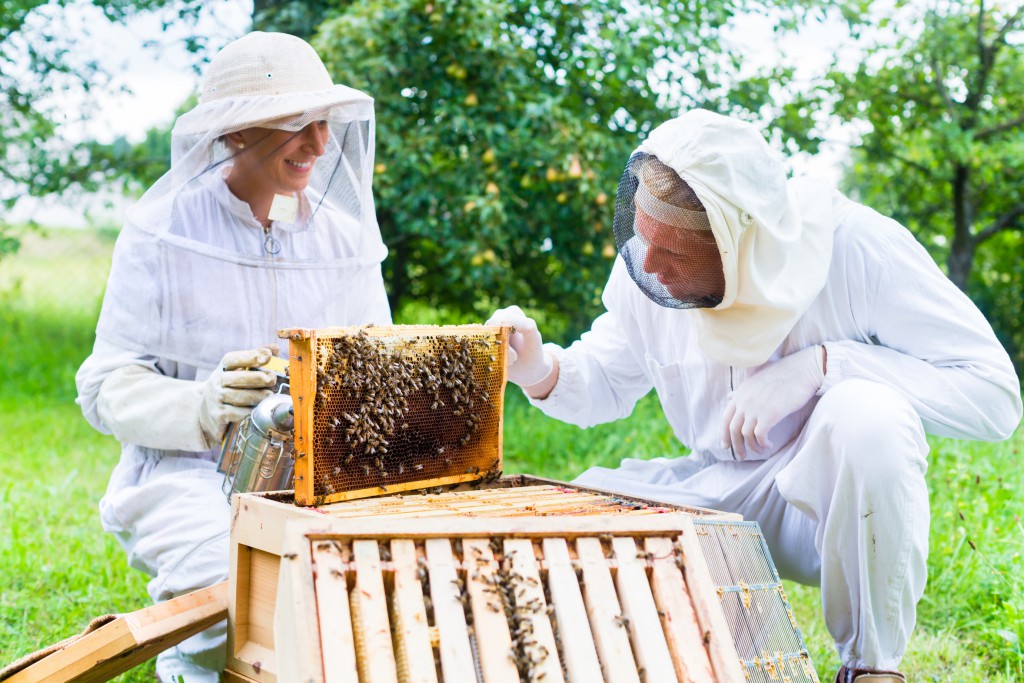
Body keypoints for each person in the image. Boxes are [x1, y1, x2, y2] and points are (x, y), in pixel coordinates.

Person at [488, 109, 1022, 682]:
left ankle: (872, 668)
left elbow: (994, 395)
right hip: (706, 491)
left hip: (825, 510)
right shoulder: (646, 268)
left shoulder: (857, 248)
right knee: (558, 524)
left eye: (671, 252)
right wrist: (538, 367)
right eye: (642, 237)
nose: (647, 263)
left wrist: (826, 365)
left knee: (870, 416)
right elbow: (604, 383)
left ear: (737, 241)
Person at [75, 32, 391, 682]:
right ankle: (189, 663)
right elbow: (105, 386)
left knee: (367, 601)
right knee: (238, 602)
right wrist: (201, 403)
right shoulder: (164, 234)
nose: (319, 145)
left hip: (317, 478)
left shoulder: (343, 238)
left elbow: (377, 368)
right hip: (185, 476)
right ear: (235, 132)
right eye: (296, 126)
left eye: (324, 123)